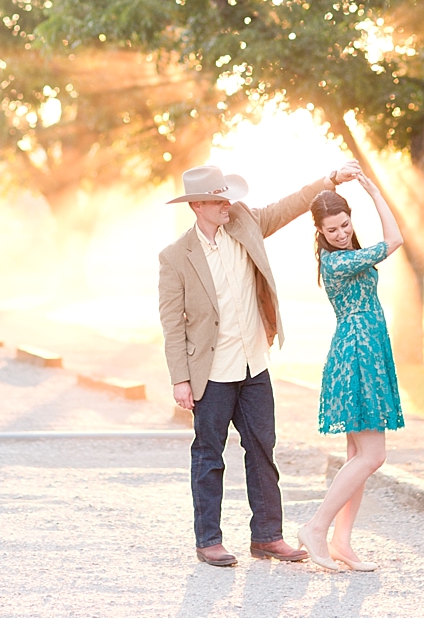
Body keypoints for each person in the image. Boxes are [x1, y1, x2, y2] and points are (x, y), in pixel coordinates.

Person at [157, 158, 365, 567]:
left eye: (227, 198)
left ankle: (268, 536)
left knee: (262, 451)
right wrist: (180, 379)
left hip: (254, 364)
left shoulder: (246, 221)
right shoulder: (175, 256)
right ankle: (209, 540)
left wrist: (330, 179)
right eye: (218, 201)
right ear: (197, 205)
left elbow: (290, 205)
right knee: (208, 455)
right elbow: (171, 323)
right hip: (211, 373)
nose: (227, 205)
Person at [296, 176, 405, 570]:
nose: (341, 234)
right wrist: (375, 191)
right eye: (332, 230)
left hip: (366, 350)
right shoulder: (337, 262)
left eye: (345, 225)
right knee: (373, 455)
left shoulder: (350, 253)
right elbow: (395, 240)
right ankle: (315, 528)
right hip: (357, 353)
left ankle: (341, 542)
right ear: (320, 232)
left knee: (357, 456)